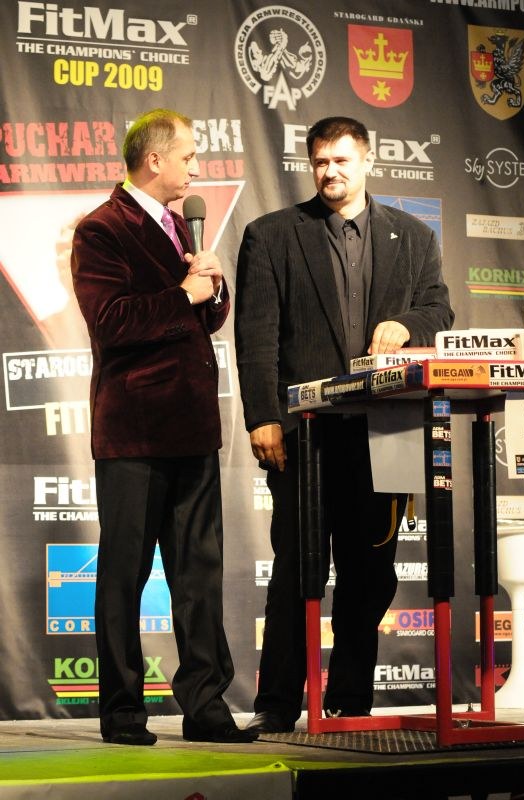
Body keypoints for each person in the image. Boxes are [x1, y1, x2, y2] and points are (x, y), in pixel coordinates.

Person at [235, 116, 454, 734]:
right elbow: (256, 338)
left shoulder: (413, 236)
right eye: (320, 162)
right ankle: (278, 705)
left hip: (385, 433)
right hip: (303, 435)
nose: (330, 172)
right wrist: (263, 417)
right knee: (295, 569)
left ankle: (351, 702)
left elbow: (440, 307)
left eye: (341, 160)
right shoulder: (271, 234)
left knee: (372, 573)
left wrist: (408, 324)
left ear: (367, 161)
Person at [71, 108, 256, 746]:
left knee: (199, 574)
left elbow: (202, 319)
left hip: (193, 428)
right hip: (135, 431)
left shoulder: (180, 225)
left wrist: (214, 289)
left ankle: (206, 706)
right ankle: (123, 711)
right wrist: (184, 294)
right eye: (188, 156)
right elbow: (112, 322)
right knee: (124, 574)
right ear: (154, 160)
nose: (196, 168)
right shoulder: (102, 228)